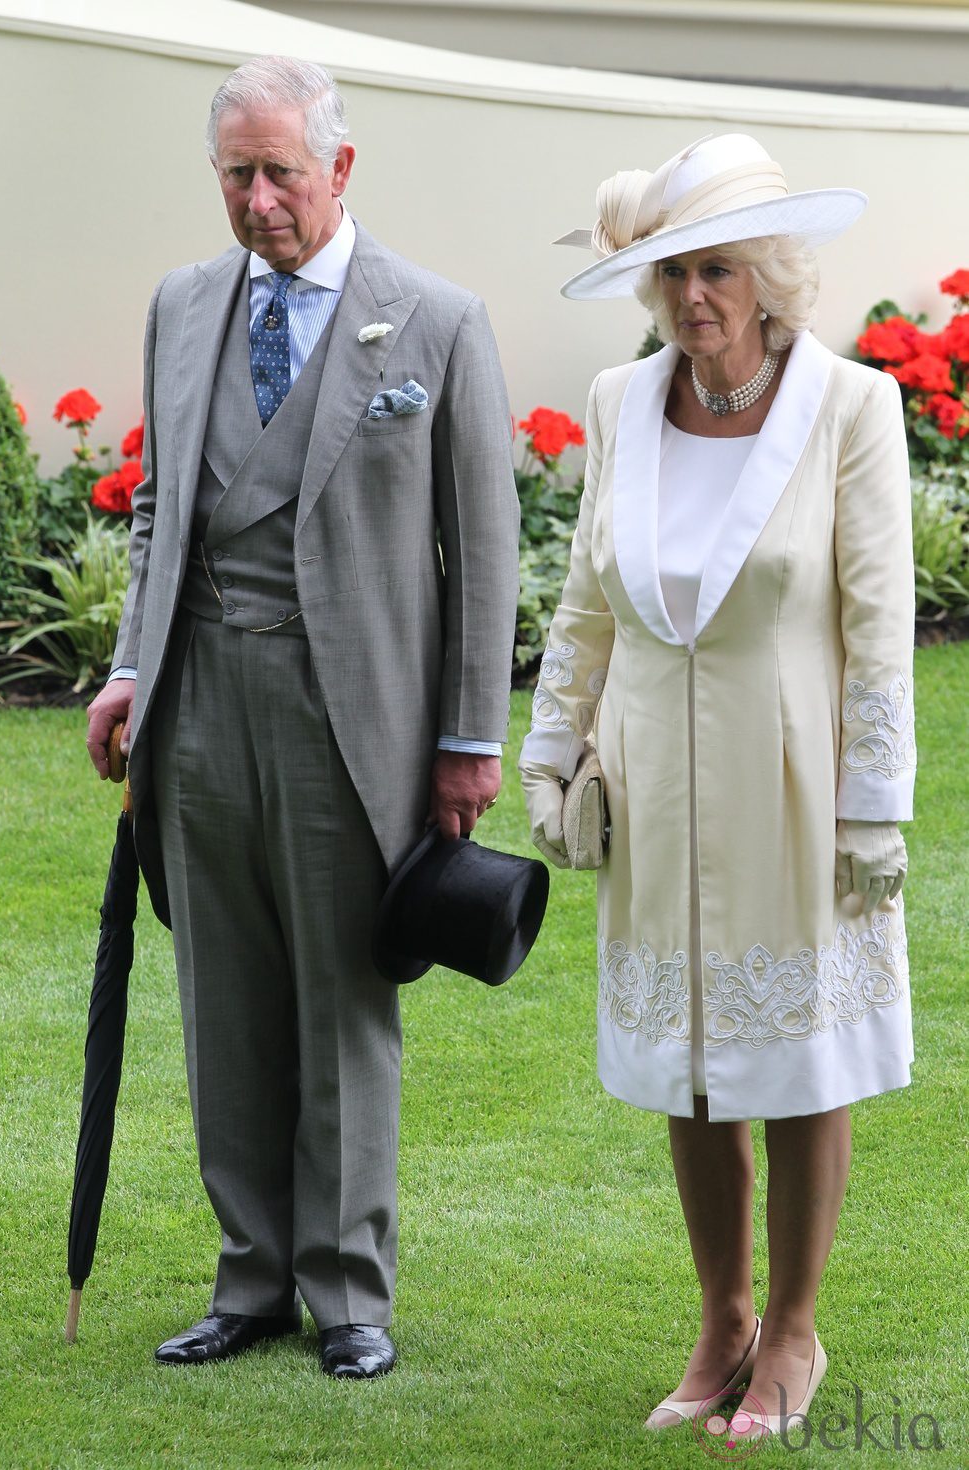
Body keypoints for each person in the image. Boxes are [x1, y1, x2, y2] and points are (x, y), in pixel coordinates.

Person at [85, 55, 519, 1379]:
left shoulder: (435, 321)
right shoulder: (182, 304)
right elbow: (160, 508)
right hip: (200, 702)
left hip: (357, 718)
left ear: (340, 169)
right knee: (223, 998)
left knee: (344, 997)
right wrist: (125, 667)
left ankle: (348, 1293)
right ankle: (251, 1277)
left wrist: (466, 738)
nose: (260, 198)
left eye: (282, 171)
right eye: (237, 174)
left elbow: (484, 549)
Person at [520, 134, 915, 1440]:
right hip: (655, 787)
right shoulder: (622, 402)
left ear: (772, 278)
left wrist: (874, 809)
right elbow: (585, 601)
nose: (697, 297)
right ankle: (724, 1315)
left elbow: (877, 628)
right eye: (675, 271)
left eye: (721, 270)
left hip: (796, 787)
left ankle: (795, 1330)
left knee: (798, 1058)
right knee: (686, 1063)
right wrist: (552, 749)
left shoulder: (850, 409)